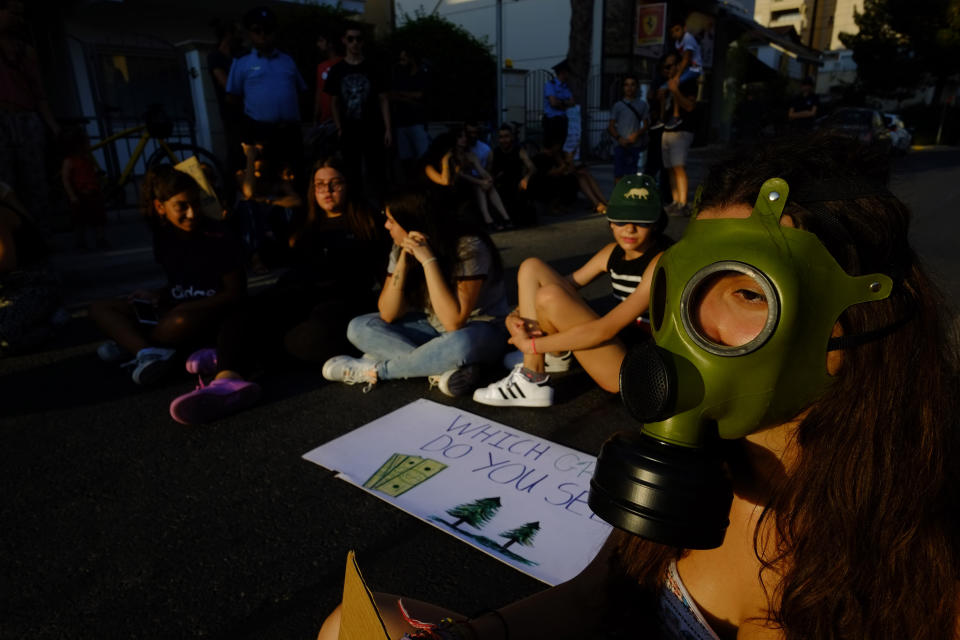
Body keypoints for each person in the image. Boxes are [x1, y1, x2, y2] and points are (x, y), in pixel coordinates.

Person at [318, 133, 960, 640]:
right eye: (683, 287)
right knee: (349, 625)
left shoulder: (924, 548)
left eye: (742, 291)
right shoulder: (696, 465)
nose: (688, 327)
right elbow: (602, 595)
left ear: (856, 315)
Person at [168, 156, 383, 424]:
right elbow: (272, 255)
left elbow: (383, 274)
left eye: (335, 184)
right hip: (296, 293)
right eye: (319, 185)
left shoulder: (370, 223)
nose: (326, 191)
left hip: (338, 302)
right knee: (245, 310)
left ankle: (233, 354)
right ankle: (227, 380)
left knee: (311, 339)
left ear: (349, 186)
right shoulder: (304, 221)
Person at [473, 174, 672, 407]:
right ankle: (546, 360)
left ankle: (532, 375)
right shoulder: (612, 251)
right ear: (609, 220)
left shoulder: (661, 261)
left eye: (641, 221)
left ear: (656, 223)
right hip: (618, 343)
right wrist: (515, 316)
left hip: (634, 369)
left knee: (549, 296)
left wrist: (533, 345)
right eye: (620, 220)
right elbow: (562, 284)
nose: (629, 229)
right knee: (531, 268)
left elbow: (603, 331)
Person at [322, 187, 509, 397]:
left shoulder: (469, 246)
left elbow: (454, 321)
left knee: (460, 344)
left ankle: (377, 370)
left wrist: (428, 260)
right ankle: (442, 368)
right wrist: (403, 261)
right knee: (359, 327)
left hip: (481, 330)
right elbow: (388, 313)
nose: (386, 225)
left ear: (413, 221)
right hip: (431, 328)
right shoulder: (400, 245)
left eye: (391, 220)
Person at [89, 166, 245, 385]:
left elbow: (235, 294)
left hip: (204, 313)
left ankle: (133, 344)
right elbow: (179, 283)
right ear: (160, 207)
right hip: (174, 307)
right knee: (100, 308)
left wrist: (186, 307)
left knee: (178, 320)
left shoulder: (218, 236)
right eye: (182, 206)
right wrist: (156, 294)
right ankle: (145, 350)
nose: (192, 213)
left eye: (196, 204)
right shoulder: (163, 237)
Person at [226, 6, 307, 188]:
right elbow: (233, 98)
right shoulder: (242, 62)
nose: (263, 35)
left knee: (297, 179)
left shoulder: (287, 60)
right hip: (261, 133)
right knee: (267, 182)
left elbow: (301, 90)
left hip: (290, 132)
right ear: (250, 34)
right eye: (257, 30)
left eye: (268, 30)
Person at [0, 0, 60, 224]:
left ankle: (41, 234)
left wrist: (52, 125)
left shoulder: (27, 52)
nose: (17, 18)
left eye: (21, 14)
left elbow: (39, 93)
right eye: (11, 12)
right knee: (5, 181)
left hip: (26, 118)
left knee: (35, 180)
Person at [325, 22, 391, 199]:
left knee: (377, 172)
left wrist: (388, 129)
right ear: (344, 41)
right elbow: (334, 101)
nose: (355, 43)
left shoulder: (373, 67)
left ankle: (381, 210)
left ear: (363, 42)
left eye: (358, 39)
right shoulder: (337, 70)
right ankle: (355, 211)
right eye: (351, 39)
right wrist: (339, 127)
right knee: (351, 172)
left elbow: (383, 98)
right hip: (349, 130)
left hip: (372, 127)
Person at [60, 127, 108, 250]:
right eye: (86, 142)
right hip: (80, 195)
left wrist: (98, 182)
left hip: (93, 192)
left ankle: (100, 238)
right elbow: (66, 179)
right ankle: (81, 242)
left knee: (98, 218)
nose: (89, 144)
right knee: (79, 220)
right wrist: (72, 195)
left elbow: (91, 173)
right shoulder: (70, 161)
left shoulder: (87, 159)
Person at [661, 62, 699, 216]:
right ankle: (675, 201)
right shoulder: (665, 85)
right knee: (670, 168)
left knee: (679, 167)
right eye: (666, 67)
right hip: (667, 130)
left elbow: (690, 106)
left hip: (682, 131)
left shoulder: (688, 83)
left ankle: (683, 203)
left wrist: (675, 90)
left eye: (672, 65)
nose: (669, 69)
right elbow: (663, 114)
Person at [207, 19, 244, 174]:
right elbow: (227, 84)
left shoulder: (239, 55)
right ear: (229, 34)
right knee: (236, 150)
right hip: (231, 111)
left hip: (246, 109)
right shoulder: (215, 56)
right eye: (237, 33)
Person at [388, 48, 430, 182]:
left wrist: (403, 95)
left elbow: (421, 95)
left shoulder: (421, 75)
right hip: (401, 122)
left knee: (422, 157)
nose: (401, 62)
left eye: (404, 59)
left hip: (417, 122)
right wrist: (409, 98)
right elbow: (392, 95)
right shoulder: (399, 75)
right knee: (405, 159)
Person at [660, 17, 702, 130]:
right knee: (663, 88)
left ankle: (676, 115)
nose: (675, 34)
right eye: (672, 32)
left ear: (684, 28)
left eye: (677, 30)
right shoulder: (677, 43)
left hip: (694, 69)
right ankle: (662, 117)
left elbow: (686, 59)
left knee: (674, 85)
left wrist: (677, 76)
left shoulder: (688, 39)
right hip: (688, 68)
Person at [490, 124, 536, 227]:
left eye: (506, 136)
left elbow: (532, 167)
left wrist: (526, 178)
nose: (504, 140)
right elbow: (488, 172)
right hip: (501, 186)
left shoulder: (519, 150)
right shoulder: (494, 153)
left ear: (511, 137)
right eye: (501, 137)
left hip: (517, 184)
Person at [608, 74, 650, 183]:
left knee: (632, 175)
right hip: (620, 145)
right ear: (623, 88)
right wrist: (619, 139)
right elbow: (611, 126)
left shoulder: (642, 105)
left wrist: (636, 134)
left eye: (632, 85)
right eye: (626, 85)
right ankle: (618, 198)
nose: (629, 88)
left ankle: (629, 198)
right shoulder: (618, 105)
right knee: (618, 174)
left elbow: (646, 125)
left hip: (634, 145)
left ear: (636, 87)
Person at [542, 59, 574, 151]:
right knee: (549, 148)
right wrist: (565, 103)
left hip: (562, 121)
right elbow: (553, 103)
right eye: (568, 72)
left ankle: (557, 164)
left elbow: (572, 102)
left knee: (560, 147)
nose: (569, 75)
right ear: (563, 72)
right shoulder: (550, 85)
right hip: (551, 121)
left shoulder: (566, 87)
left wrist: (560, 103)